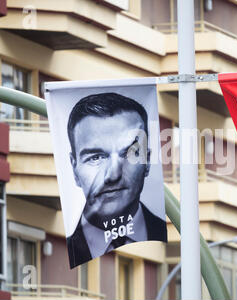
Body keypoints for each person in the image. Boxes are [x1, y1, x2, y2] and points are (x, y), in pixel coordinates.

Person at [66, 92, 167, 268]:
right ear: (74, 168)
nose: (113, 175)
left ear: (147, 161)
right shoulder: (69, 246)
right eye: (96, 157)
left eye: (129, 153)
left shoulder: (179, 237)